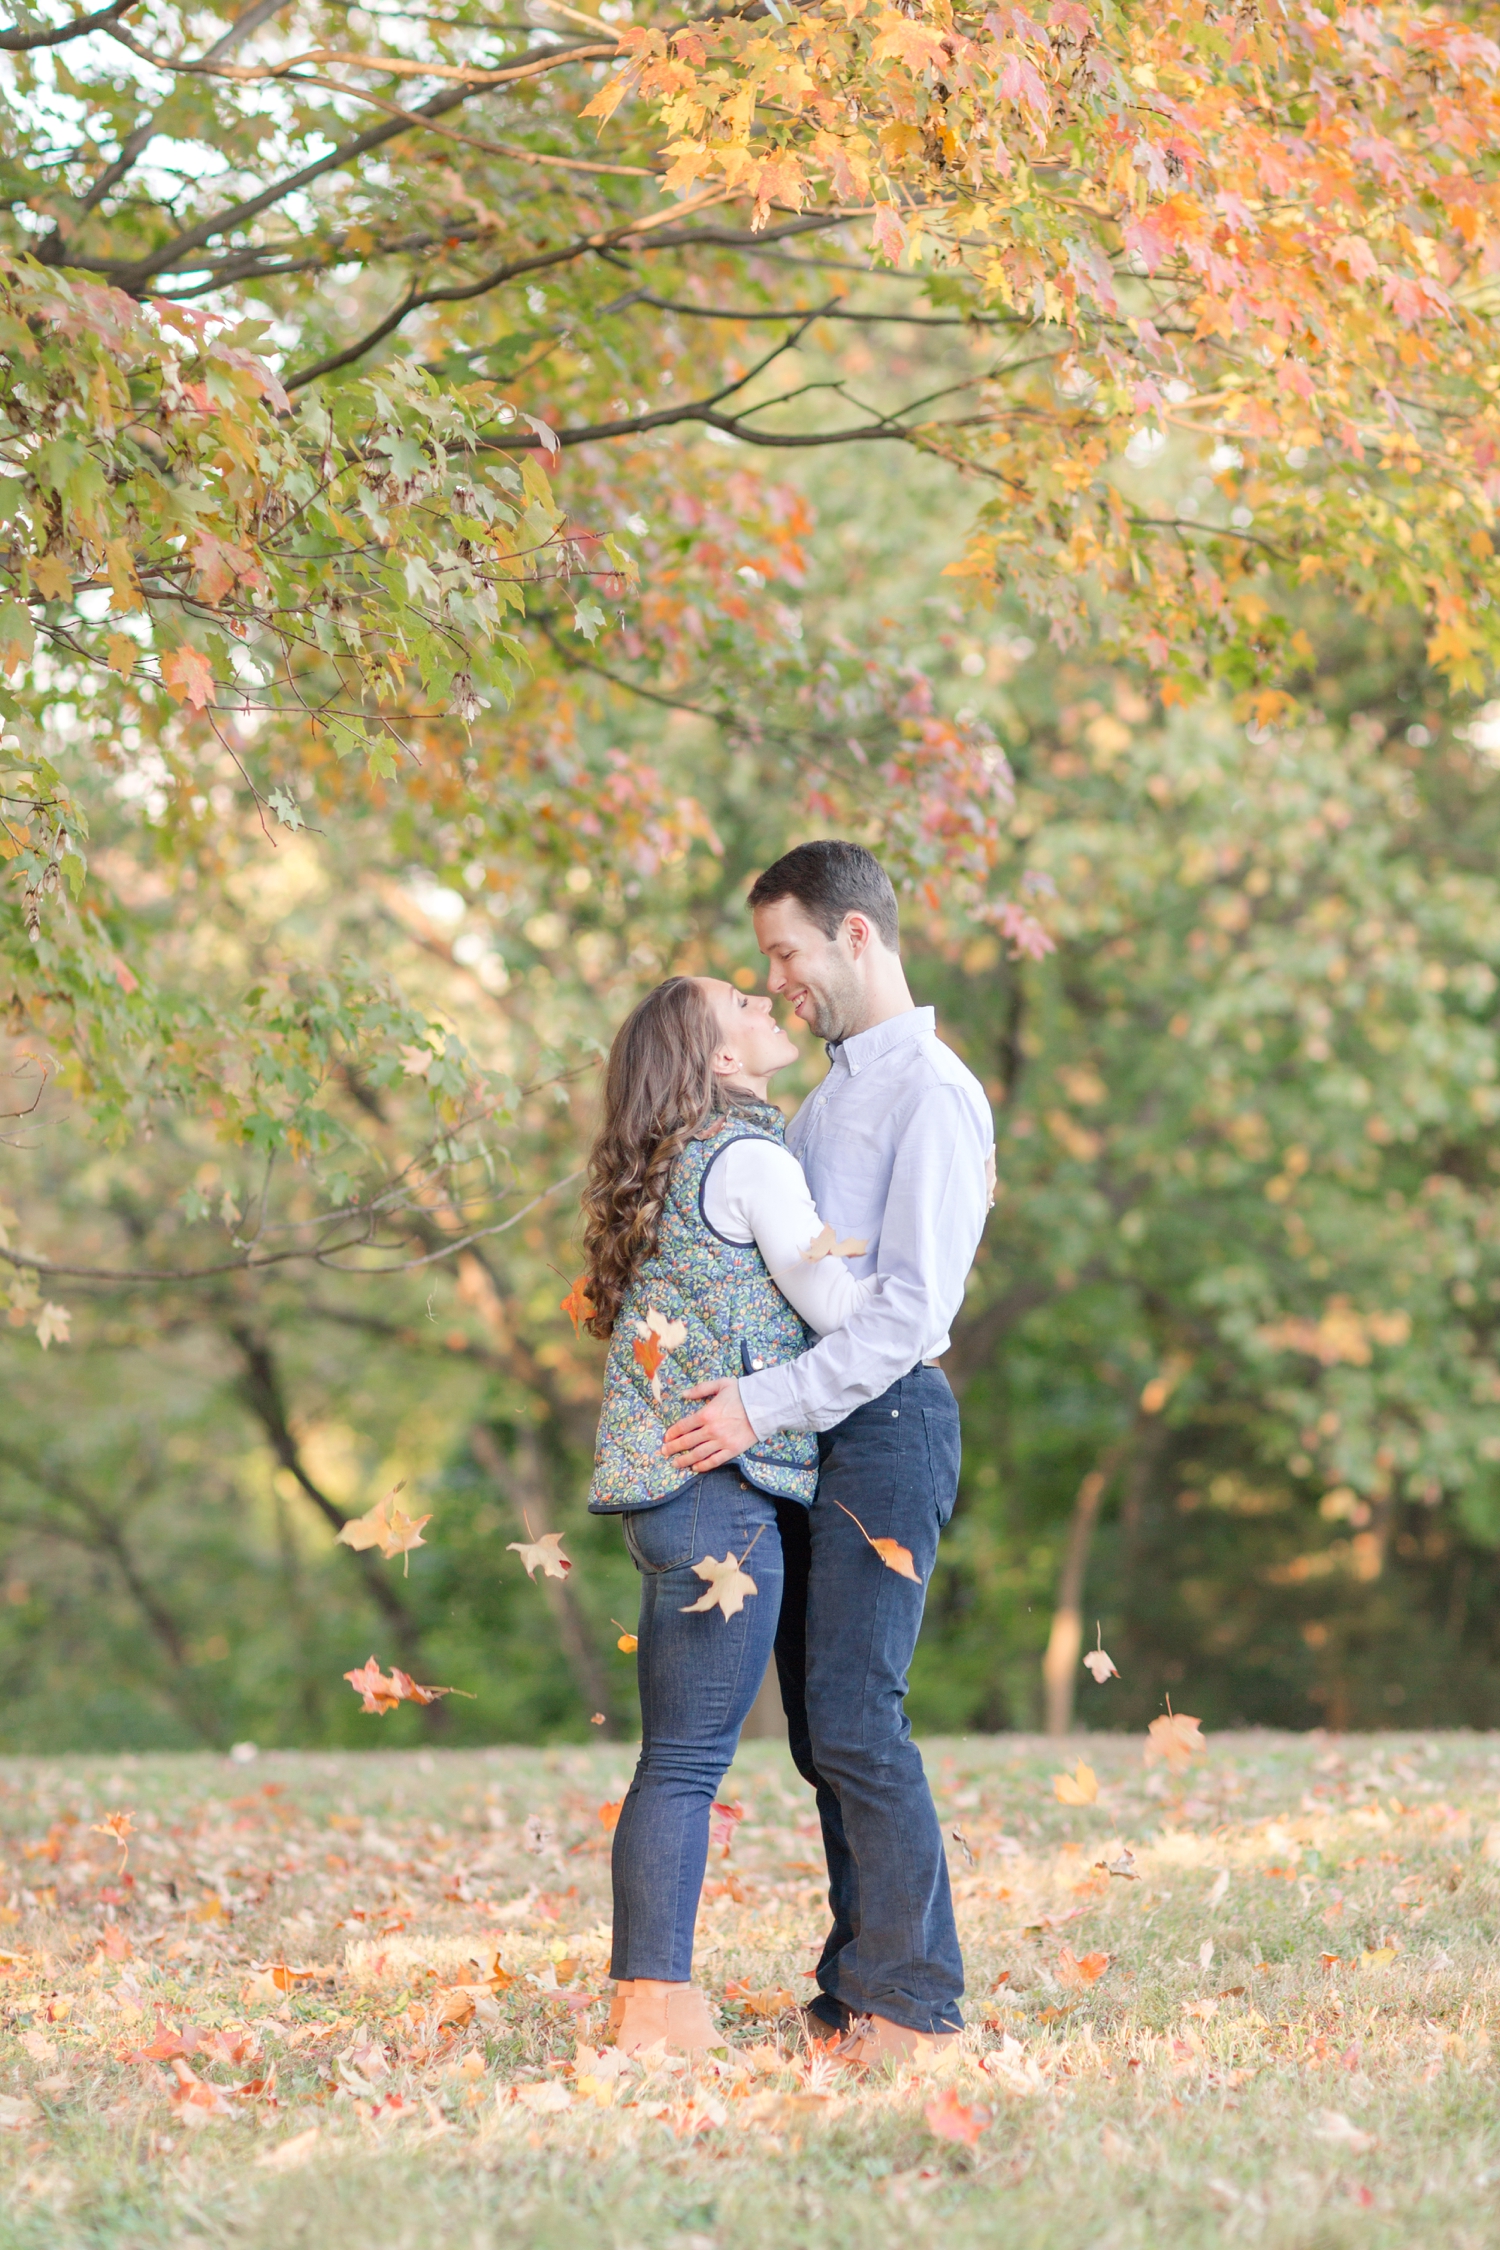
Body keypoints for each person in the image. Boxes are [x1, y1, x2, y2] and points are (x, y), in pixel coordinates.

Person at [663, 840, 995, 2065]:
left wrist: (758, 1405)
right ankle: (858, 1987)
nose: (778, 979)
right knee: (819, 1729)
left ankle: (915, 2005)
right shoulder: (818, 1101)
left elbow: (905, 1314)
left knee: (860, 1720)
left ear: (856, 937)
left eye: (786, 952)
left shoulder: (935, 1095)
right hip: (818, 1431)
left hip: (891, 1422)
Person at [580, 972, 873, 2056]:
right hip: (725, 1502)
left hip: (672, 1500)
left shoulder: (674, 1166)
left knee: (675, 1755)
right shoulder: (749, 1160)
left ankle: (647, 1997)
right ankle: (652, 2008)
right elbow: (837, 1305)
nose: (767, 1006)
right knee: (690, 1761)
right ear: (717, 1060)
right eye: (745, 1004)